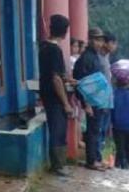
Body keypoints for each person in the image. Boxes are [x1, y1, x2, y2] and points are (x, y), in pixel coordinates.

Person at [39, 15, 74, 177]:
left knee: (56, 127)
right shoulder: (55, 50)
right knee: (58, 129)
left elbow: (55, 74)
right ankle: (58, 165)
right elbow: (55, 78)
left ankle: (58, 164)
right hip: (55, 97)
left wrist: (67, 79)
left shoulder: (43, 47)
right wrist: (66, 103)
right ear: (64, 32)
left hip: (46, 93)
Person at [73, 27, 107, 171]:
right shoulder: (85, 58)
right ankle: (91, 161)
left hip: (98, 100)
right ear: (91, 40)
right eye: (97, 40)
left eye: (101, 41)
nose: (100, 44)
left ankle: (94, 158)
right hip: (91, 101)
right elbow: (81, 83)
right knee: (93, 131)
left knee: (96, 130)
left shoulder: (95, 57)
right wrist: (86, 104)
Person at [96, 31, 118, 165]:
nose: (115, 46)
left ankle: (100, 155)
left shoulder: (106, 57)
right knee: (98, 129)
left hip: (108, 98)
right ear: (105, 43)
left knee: (103, 130)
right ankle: (97, 157)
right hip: (100, 99)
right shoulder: (98, 58)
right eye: (113, 43)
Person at [112, 77, 129, 169]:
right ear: (126, 84)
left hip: (117, 125)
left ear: (116, 83)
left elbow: (110, 109)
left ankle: (120, 164)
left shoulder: (113, 94)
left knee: (120, 146)